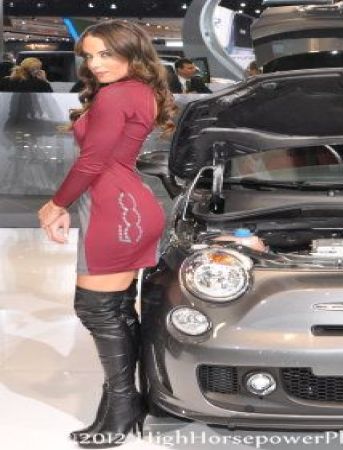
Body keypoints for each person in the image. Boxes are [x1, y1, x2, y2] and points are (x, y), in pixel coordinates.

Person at [37, 19, 176, 448]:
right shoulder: (138, 91)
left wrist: (55, 204)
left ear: (132, 53)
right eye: (89, 56)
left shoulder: (119, 94)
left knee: (98, 310)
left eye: (106, 54)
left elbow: (92, 162)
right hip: (122, 206)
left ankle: (123, 403)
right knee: (113, 310)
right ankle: (124, 400)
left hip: (115, 211)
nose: (96, 64)